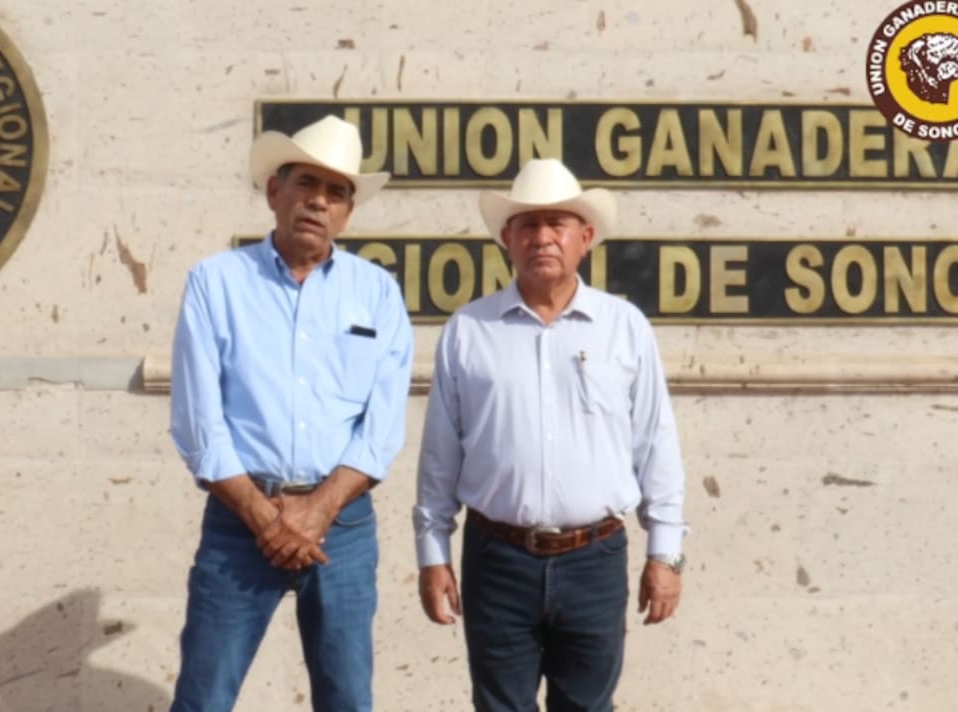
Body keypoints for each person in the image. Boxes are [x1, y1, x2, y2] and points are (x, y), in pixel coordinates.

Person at [413, 158, 688, 712]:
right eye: (528, 225)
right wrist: (431, 553)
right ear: (506, 239)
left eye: (557, 224)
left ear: (585, 238)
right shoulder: (469, 330)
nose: (543, 237)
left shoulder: (624, 326)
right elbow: (440, 454)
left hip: (595, 558)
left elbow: (655, 444)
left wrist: (666, 554)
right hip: (497, 559)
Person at [169, 115, 413, 712]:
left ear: (349, 212)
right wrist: (266, 518)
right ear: (275, 191)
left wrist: (317, 510)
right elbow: (199, 423)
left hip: (344, 527)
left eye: (336, 193)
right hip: (238, 521)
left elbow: (381, 428)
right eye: (306, 183)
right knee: (203, 699)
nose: (318, 202)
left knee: (347, 701)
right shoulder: (216, 283)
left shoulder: (377, 292)